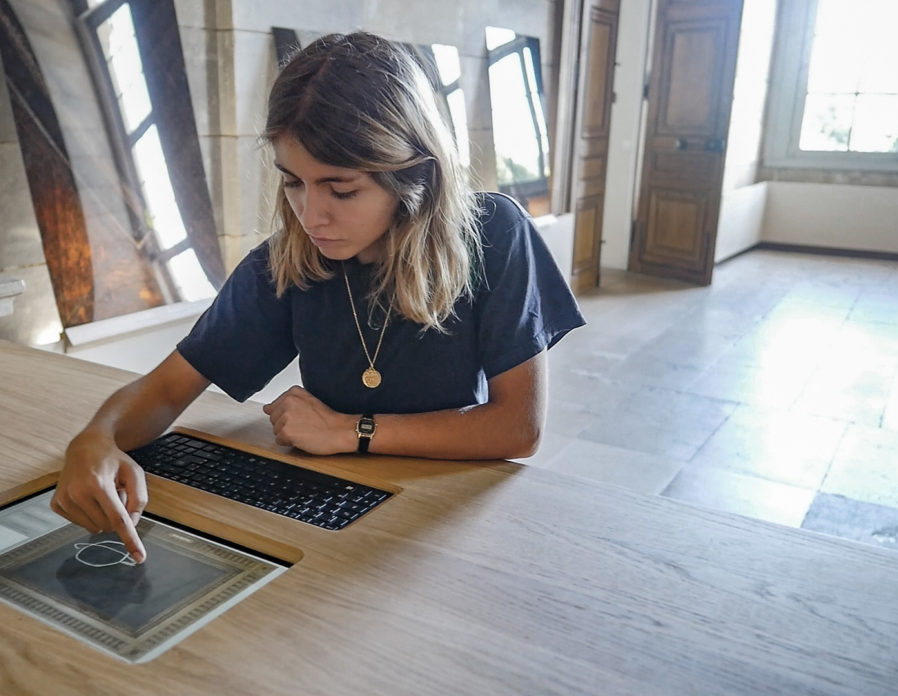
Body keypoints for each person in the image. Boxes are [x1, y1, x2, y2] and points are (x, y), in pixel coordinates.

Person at [52, 31, 584, 563]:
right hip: (333, 516)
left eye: (342, 189)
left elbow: (518, 428)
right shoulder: (284, 263)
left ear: (414, 175)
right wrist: (97, 437)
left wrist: (351, 430)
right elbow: (167, 390)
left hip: (450, 515)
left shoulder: (493, 234)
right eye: (293, 183)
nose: (311, 216)